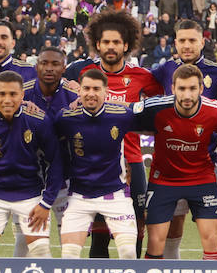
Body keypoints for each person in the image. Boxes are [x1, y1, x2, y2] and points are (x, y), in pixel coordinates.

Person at [69, 10, 161, 258]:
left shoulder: (143, 77)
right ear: (97, 44)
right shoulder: (80, 72)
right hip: (93, 163)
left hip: (132, 158)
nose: (111, 47)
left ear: (126, 44)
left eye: (116, 42)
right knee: (99, 229)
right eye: (106, 42)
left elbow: (159, 109)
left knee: (138, 225)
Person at [0, 71, 63, 258]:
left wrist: (46, 203)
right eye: (2, 94)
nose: (7, 100)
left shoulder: (39, 121)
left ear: (22, 95)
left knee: (41, 251)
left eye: (13, 94)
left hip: (31, 196)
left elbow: (56, 163)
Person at [151, 18, 217, 259]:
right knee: (173, 227)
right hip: (169, 167)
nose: (187, 45)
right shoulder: (164, 70)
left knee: (211, 233)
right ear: (175, 43)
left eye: (192, 40)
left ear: (202, 42)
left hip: (204, 165)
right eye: (182, 40)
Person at [137, 65, 217, 259]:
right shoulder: (155, 108)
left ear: (200, 89)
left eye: (192, 88)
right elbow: (122, 115)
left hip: (202, 179)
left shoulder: (214, 111)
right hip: (164, 180)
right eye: (182, 89)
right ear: (172, 88)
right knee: (155, 243)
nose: (187, 94)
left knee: (212, 240)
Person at [51, 66, 146, 260]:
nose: (91, 94)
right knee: (68, 255)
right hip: (78, 196)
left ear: (106, 92)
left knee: (129, 253)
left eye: (96, 89)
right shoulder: (65, 118)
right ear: (79, 91)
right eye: (86, 89)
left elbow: (154, 125)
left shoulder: (122, 115)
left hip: (116, 194)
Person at [23, 46, 76, 117]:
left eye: (55, 64)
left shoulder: (74, 96)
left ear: (64, 68)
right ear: (36, 67)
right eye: (44, 63)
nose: (49, 68)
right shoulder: (22, 93)